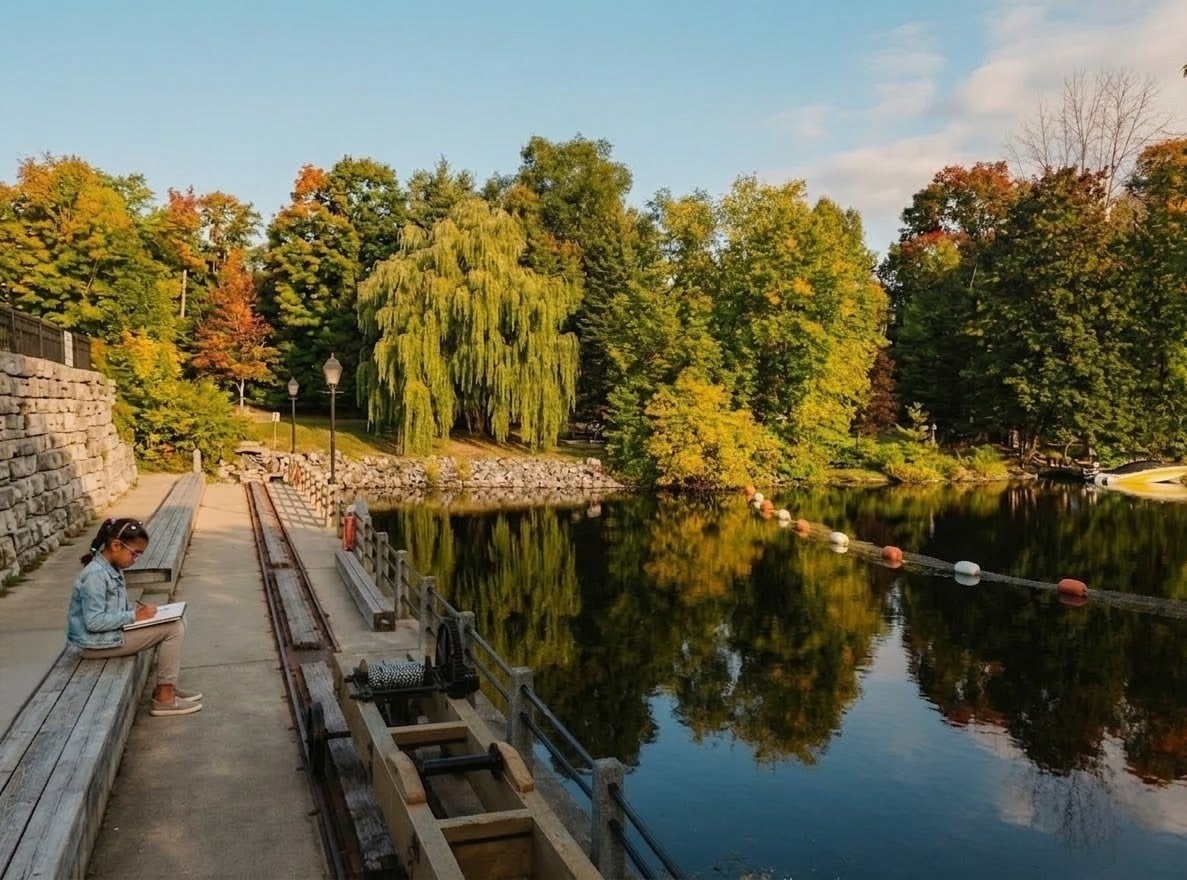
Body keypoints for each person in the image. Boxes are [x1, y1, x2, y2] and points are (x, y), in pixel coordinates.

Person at [65, 517, 203, 717]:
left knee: (177, 619)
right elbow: (93, 621)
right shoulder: (94, 575)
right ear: (116, 546)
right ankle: (164, 697)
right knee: (173, 628)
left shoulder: (112, 568)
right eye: (135, 553)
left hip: (106, 636)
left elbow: (112, 608)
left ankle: (169, 686)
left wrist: (137, 611)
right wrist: (133, 616)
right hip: (93, 644)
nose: (136, 559)